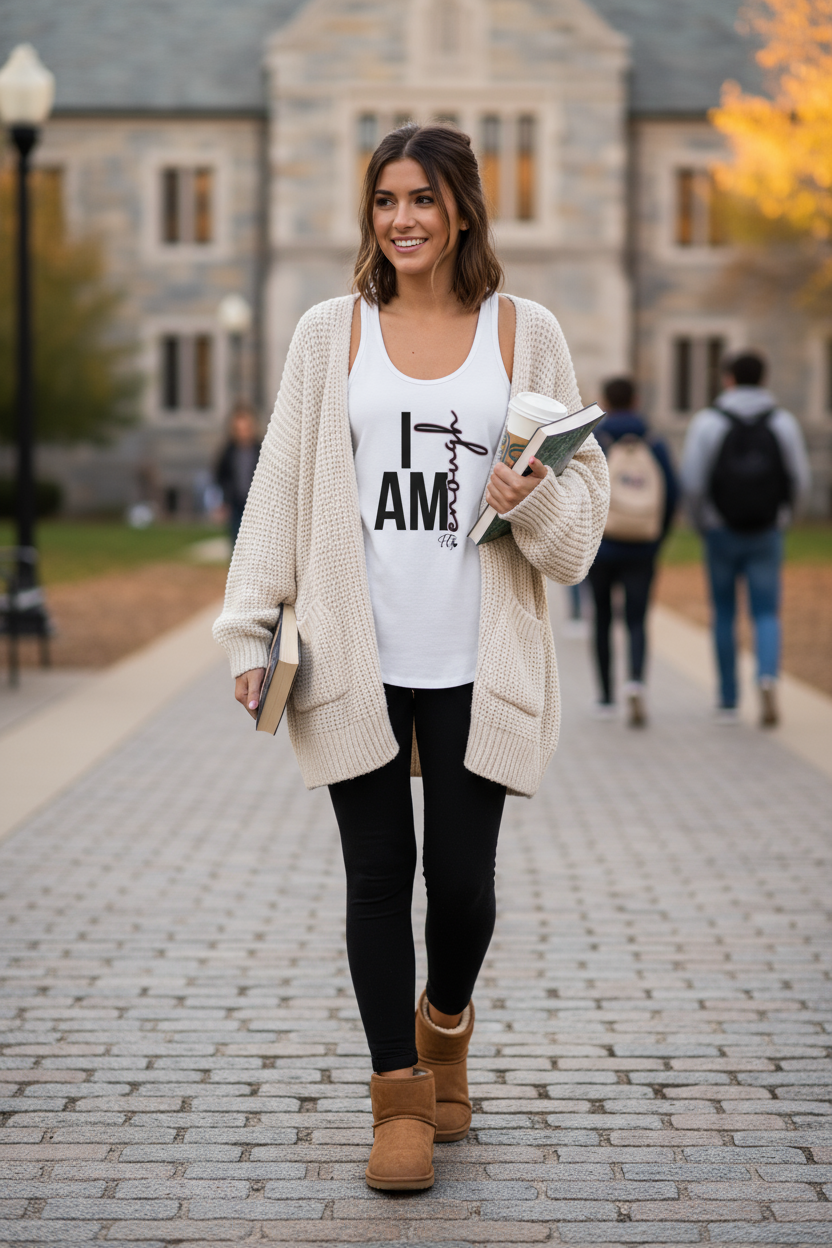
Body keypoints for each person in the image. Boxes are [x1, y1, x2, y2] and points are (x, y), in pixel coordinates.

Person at [213, 122, 609, 1192]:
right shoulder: (327, 332)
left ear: (463, 210)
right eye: (386, 200)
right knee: (379, 877)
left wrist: (533, 501)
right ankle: (399, 1100)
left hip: (479, 652)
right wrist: (251, 628)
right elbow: (280, 486)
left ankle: (446, 1028)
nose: (403, 219)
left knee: (464, 886)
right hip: (357, 648)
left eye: (423, 199)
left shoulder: (525, 332)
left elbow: (581, 519)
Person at [681, 351, 810, 727]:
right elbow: (800, 479)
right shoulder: (783, 422)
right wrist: (786, 517)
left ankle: (727, 699)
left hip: (720, 530)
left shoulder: (708, 422)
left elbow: (693, 481)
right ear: (764, 379)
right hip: (766, 530)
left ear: (728, 379)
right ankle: (767, 676)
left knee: (724, 612)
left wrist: (701, 522)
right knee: (766, 611)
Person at [587, 377, 678, 727]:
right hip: (642, 546)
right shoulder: (654, 441)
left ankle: (605, 698)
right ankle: (636, 682)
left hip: (602, 546)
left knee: (602, 618)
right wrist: (657, 536)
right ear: (637, 400)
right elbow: (673, 490)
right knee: (637, 619)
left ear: (604, 401)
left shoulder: (596, 439)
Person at [214, 401, 262, 544]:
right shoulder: (228, 452)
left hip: (256, 505)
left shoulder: (260, 451)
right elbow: (221, 477)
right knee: (236, 541)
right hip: (235, 505)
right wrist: (224, 500)